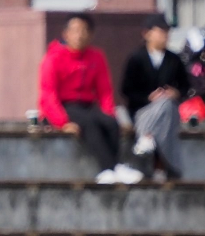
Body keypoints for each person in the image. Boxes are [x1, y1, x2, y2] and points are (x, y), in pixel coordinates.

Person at [39, 14, 143, 185]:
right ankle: (107, 169)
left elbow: (104, 91)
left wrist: (109, 113)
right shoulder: (53, 58)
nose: (79, 35)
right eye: (75, 31)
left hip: (86, 105)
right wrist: (62, 122)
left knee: (110, 123)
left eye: (84, 31)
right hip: (64, 106)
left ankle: (116, 167)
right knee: (89, 123)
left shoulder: (96, 57)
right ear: (66, 34)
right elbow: (48, 94)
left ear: (90, 35)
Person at [121, 14, 190, 180]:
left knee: (166, 103)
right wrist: (148, 98)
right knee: (164, 106)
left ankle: (145, 140)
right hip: (142, 110)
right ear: (147, 34)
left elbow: (186, 86)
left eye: (166, 32)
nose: (164, 36)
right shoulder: (136, 59)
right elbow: (126, 90)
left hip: (168, 112)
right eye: (160, 32)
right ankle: (169, 166)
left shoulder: (174, 59)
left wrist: (176, 93)